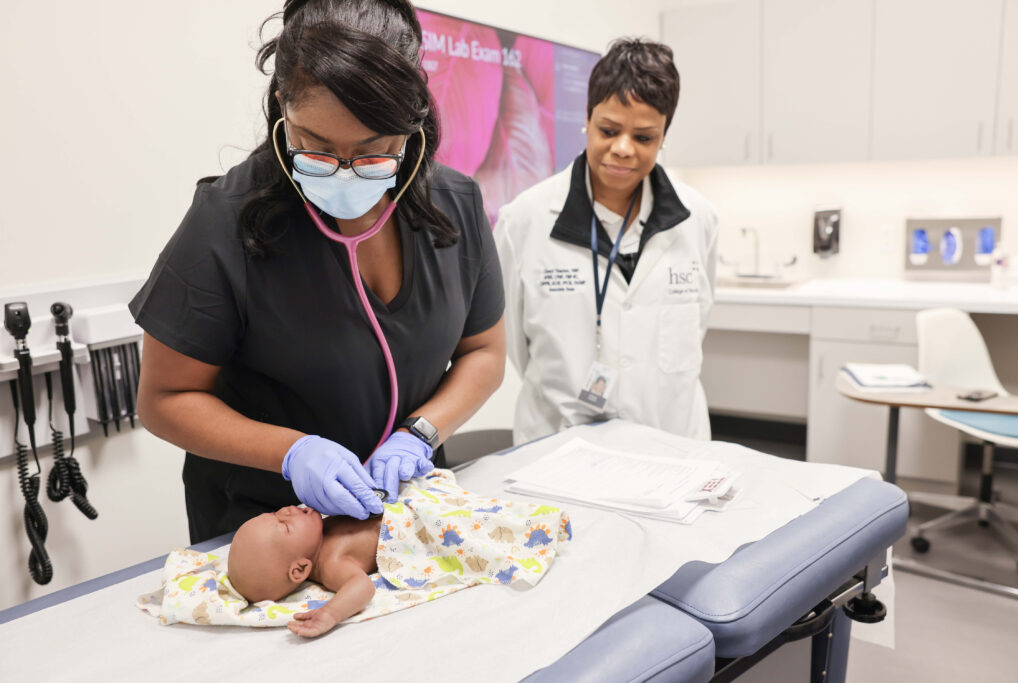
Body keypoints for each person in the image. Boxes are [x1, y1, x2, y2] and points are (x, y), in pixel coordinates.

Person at [131, 0, 505, 544]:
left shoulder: (456, 203)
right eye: (317, 147)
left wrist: (420, 435)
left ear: (412, 121)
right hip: (268, 535)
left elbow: (485, 353)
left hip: (402, 519)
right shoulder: (226, 221)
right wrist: (291, 452)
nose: (344, 173)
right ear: (283, 105)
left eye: (375, 150)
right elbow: (164, 400)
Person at [494, 38, 718, 445]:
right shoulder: (523, 220)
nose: (622, 150)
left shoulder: (697, 218)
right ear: (587, 118)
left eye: (645, 137)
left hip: (673, 445)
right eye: (608, 130)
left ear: (665, 134)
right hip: (560, 447)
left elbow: (698, 322)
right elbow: (514, 347)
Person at [227, 470, 572, 637]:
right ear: (300, 570)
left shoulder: (320, 524)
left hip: (410, 502)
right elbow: (362, 588)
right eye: (284, 525)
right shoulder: (330, 564)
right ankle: (540, 528)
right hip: (419, 527)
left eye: (275, 513)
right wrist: (330, 613)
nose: (287, 510)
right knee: (479, 528)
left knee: (466, 506)